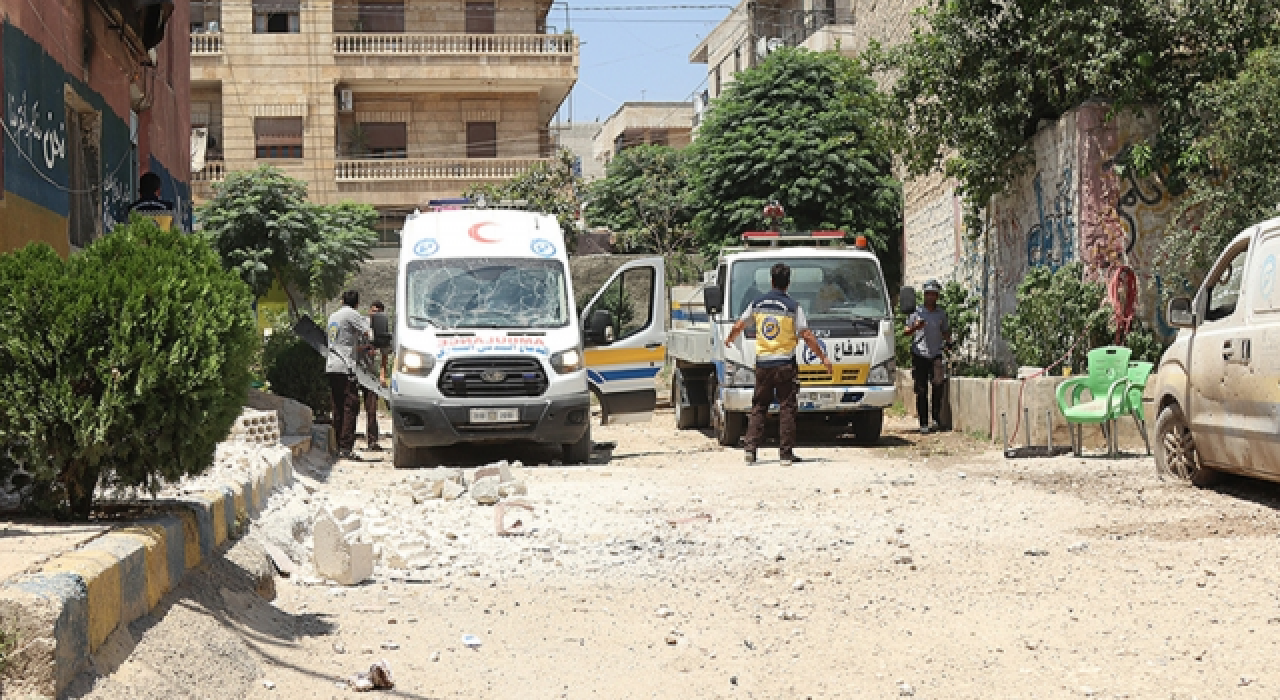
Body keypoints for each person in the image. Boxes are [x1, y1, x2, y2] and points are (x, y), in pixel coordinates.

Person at [724, 263, 834, 467]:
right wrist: (823, 358)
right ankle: (785, 454)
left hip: (763, 364)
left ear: (771, 281)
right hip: (785, 364)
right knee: (787, 407)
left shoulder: (757, 303)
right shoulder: (793, 307)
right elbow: (807, 335)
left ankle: (750, 450)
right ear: (788, 283)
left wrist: (730, 338)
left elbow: (740, 324)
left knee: (759, 406)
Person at [326, 290, 372, 460]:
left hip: (332, 365)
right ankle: (346, 448)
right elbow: (369, 333)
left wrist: (360, 349)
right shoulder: (352, 314)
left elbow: (341, 344)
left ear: (341, 301)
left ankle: (337, 446)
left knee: (337, 406)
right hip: (345, 367)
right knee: (351, 405)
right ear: (357, 304)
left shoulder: (333, 316)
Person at [905, 279, 951, 434]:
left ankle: (936, 417)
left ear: (937, 296)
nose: (931, 297)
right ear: (924, 295)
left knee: (938, 383)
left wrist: (949, 342)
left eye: (934, 294)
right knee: (921, 389)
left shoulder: (941, 314)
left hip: (936, 353)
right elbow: (906, 331)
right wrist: (915, 327)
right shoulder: (916, 313)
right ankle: (923, 422)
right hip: (920, 354)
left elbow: (945, 331)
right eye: (928, 294)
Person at [361, 300, 391, 451]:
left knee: (371, 408)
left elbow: (385, 354)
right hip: (357, 369)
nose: (375, 314)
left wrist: (382, 375)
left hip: (370, 373)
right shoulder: (361, 324)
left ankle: (372, 441)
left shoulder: (382, 329)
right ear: (369, 311)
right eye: (373, 311)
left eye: (378, 312)